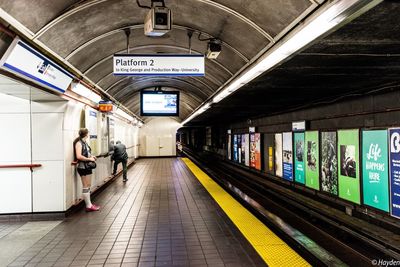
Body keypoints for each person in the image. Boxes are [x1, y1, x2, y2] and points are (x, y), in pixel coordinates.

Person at [73, 128, 100, 212]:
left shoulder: (84, 143)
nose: (89, 134)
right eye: (88, 133)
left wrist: (92, 157)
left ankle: (90, 204)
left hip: (87, 166)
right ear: (86, 134)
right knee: (86, 185)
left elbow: (86, 153)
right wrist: (89, 159)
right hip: (82, 167)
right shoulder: (79, 143)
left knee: (88, 185)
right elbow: (78, 156)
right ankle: (88, 206)